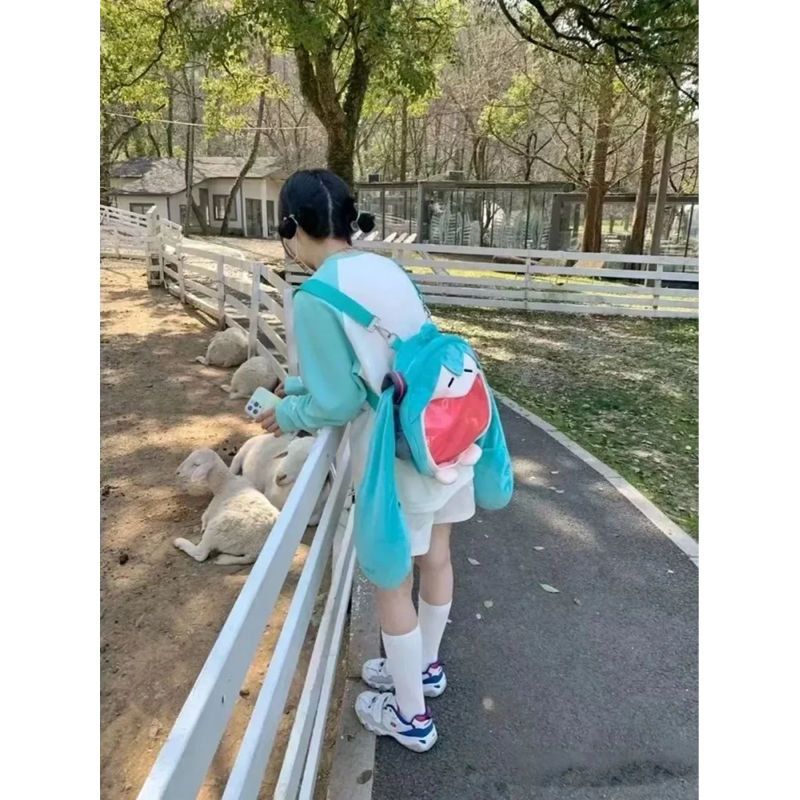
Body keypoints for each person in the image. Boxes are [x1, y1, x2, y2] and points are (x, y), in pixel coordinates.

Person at [255, 168, 477, 753]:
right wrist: (301, 392)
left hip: (393, 453)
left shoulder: (315, 296)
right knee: (438, 557)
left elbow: (338, 401)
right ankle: (425, 669)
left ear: (291, 228)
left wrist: (287, 413)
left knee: (390, 581)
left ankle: (411, 717)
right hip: (444, 430)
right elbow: (377, 358)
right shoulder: (386, 268)